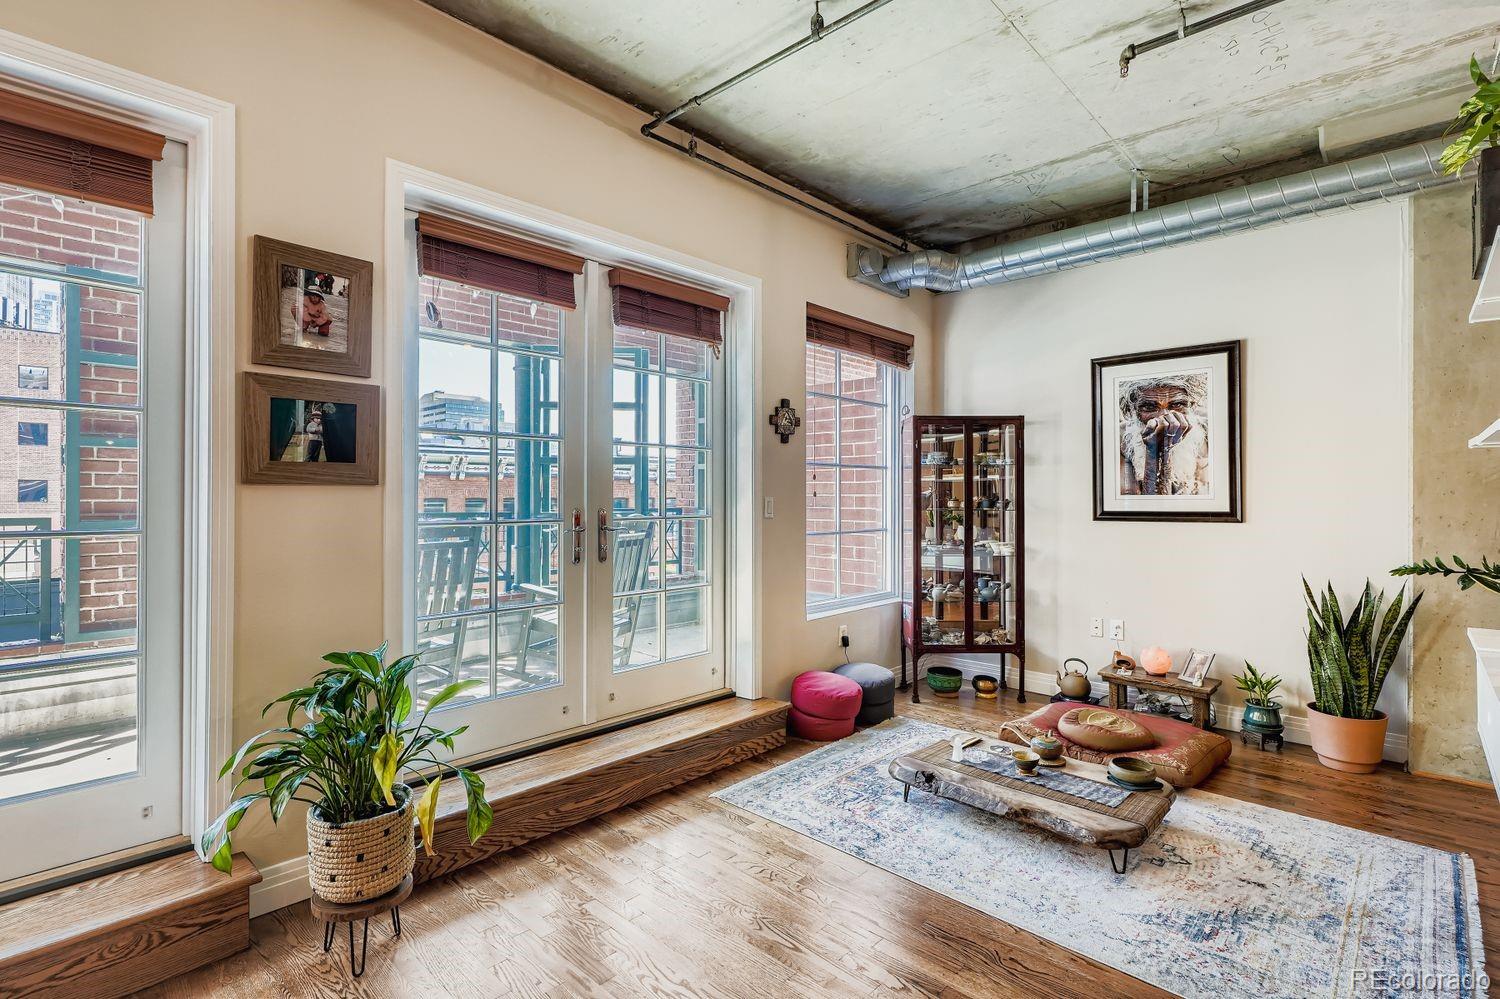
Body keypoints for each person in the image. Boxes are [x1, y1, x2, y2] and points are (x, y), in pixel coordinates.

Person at [1118, 373, 1210, 495]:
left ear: (1191, 406)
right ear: (1133, 410)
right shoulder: (1120, 438)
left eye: (1177, 405)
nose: (1163, 419)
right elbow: (1149, 507)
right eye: (1149, 407)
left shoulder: (1207, 432)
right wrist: (1155, 452)